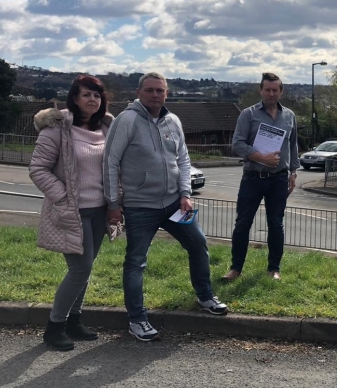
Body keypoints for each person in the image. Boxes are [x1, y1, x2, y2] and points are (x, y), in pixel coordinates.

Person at [104, 72, 227, 342]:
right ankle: (137, 319)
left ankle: (205, 297)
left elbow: (183, 160)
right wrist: (113, 204)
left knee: (198, 244)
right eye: (149, 90)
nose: (155, 95)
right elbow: (110, 163)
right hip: (140, 207)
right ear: (138, 92)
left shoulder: (173, 121)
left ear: (167, 93)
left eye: (160, 90)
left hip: (175, 203)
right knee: (136, 262)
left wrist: (185, 193)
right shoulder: (127, 120)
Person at [29, 75, 120, 351]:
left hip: (99, 210)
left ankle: (74, 321)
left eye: (97, 95)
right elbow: (38, 169)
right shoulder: (57, 128)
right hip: (72, 212)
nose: (93, 100)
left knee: (86, 268)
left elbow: (114, 167)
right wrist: (63, 198)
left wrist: (116, 202)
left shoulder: (107, 127)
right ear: (74, 98)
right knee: (79, 270)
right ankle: (54, 327)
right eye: (86, 95)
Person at [222, 72, 299, 282]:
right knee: (243, 223)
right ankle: (235, 269)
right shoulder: (248, 114)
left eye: (275, 90)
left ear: (281, 91)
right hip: (253, 177)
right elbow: (237, 144)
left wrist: (293, 172)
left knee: (276, 224)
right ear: (261, 91)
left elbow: (293, 146)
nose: (271, 93)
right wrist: (261, 158)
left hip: (279, 179)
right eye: (267, 89)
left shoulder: (289, 116)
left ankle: (274, 269)